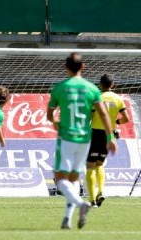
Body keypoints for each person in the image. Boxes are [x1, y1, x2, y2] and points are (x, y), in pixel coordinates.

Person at [47, 53, 117, 229]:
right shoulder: (92, 89)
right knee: (74, 178)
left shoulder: (59, 88)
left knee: (60, 178)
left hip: (66, 137)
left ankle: (81, 204)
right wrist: (110, 138)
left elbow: (49, 115)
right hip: (85, 138)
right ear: (83, 67)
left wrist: (56, 122)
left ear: (66, 67)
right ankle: (67, 219)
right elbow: (102, 113)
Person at [86, 74, 130, 207]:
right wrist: (116, 121)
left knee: (90, 166)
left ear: (100, 84)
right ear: (113, 85)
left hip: (96, 134)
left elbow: (89, 115)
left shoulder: (96, 97)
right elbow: (126, 119)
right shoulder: (118, 99)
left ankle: (92, 199)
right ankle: (101, 191)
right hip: (109, 135)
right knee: (100, 164)